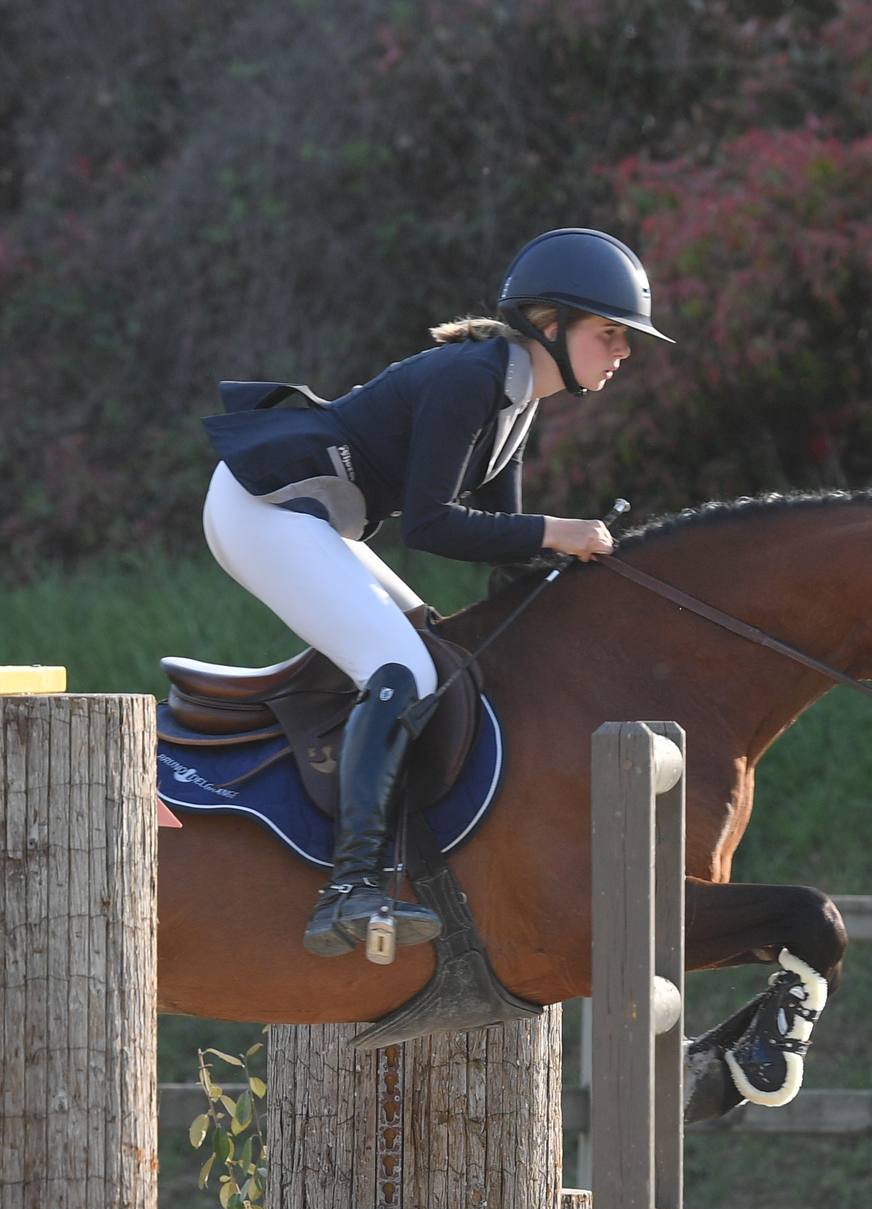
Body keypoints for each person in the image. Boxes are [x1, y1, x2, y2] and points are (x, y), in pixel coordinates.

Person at [198, 227, 672, 959]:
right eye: (610, 333)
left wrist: (582, 571)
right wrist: (556, 531)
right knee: (402, 670)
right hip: (266, 506)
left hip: (310, 515)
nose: (624, 351)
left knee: (429, 643)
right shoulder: (472, 378)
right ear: (550, 324)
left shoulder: (516, 395)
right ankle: (350, 886)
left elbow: (505, 546)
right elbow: (431, 525)